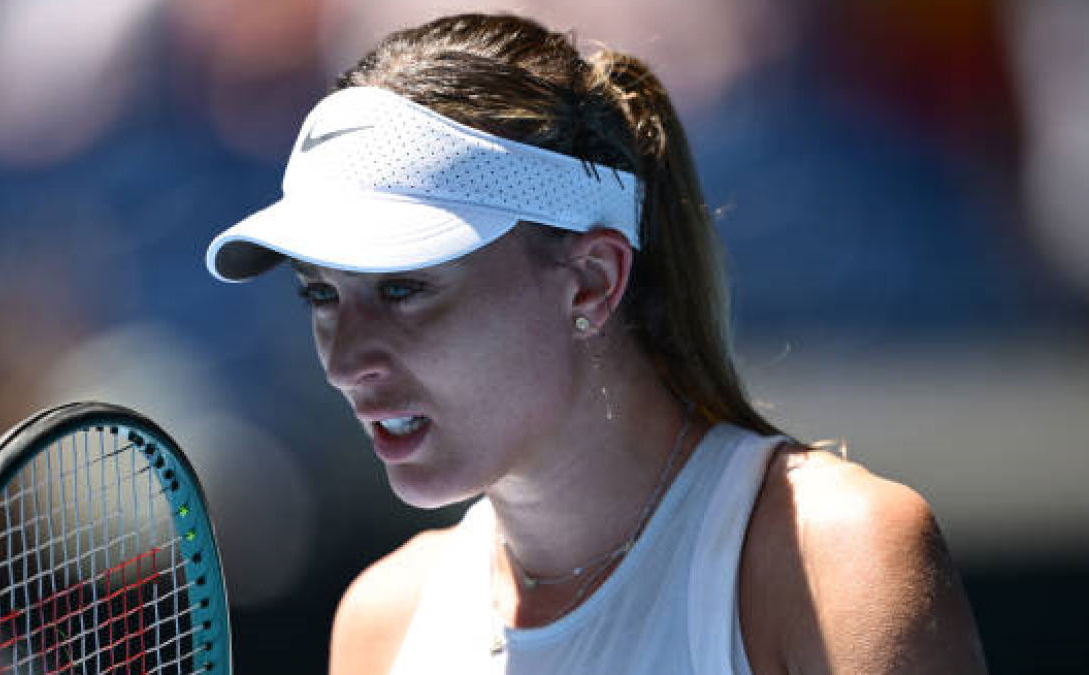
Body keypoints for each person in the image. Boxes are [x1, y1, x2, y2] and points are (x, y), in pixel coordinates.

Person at [205, 13, 988, 675]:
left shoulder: (840, 557)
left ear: (590, 280)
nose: (345, 362)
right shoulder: (381, 622)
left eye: (403, 288)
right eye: (321, 295)